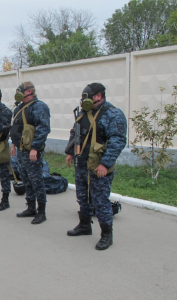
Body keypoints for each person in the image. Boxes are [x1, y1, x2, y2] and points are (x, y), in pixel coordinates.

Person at [65, 83, 127, 250]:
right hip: (82, 163)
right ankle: (85, 225)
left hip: (98, 166)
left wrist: (105, 164)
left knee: (100, 201)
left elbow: (117, 140)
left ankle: (107, 235)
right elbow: (75, 132)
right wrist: (70, 152)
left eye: (87, 96)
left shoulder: (112, 114)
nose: (83, 100)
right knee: (82, 196)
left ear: (98, 96)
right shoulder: (84, 113)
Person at [10, 82, 50, 224]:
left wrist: (36, 148)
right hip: (21, 150)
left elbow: (43, 129)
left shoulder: (39, 107)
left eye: (21, 91)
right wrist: (13, 145)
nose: (18, 93)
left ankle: (42, 212)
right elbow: (16, 129)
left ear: (29, 92)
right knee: (26, 179)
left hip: (32, 151)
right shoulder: (19, 108)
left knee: (36, 181)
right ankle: (31, 207)